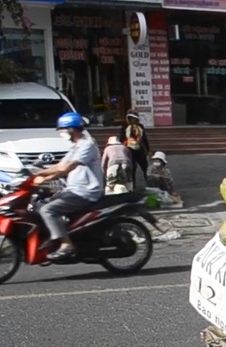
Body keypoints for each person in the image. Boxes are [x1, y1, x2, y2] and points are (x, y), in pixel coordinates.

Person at [32, 112, 105, 261]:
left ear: (72, 129)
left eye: (62, 130)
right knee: (39, 204)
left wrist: (45, 175)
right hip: (73, 190)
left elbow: (68, 167)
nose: (61, 133)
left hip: (86, 192)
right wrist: (38, 176)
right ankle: (57, 237)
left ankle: (66, 245)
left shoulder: (87, 145)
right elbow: (60, 166)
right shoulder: (75, 147)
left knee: (48, 210)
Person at [119, 111, 150, 188]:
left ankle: (150, 184)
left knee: (145, 168)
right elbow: (122, 138)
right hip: (130, 150)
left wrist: (148, 150)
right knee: (132, 169)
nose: (132, 120)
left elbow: (144, 139)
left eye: (134, 118)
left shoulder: (140, 127)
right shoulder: (125, 127)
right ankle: (132, 186)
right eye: (131, 118)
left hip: (140, 150)